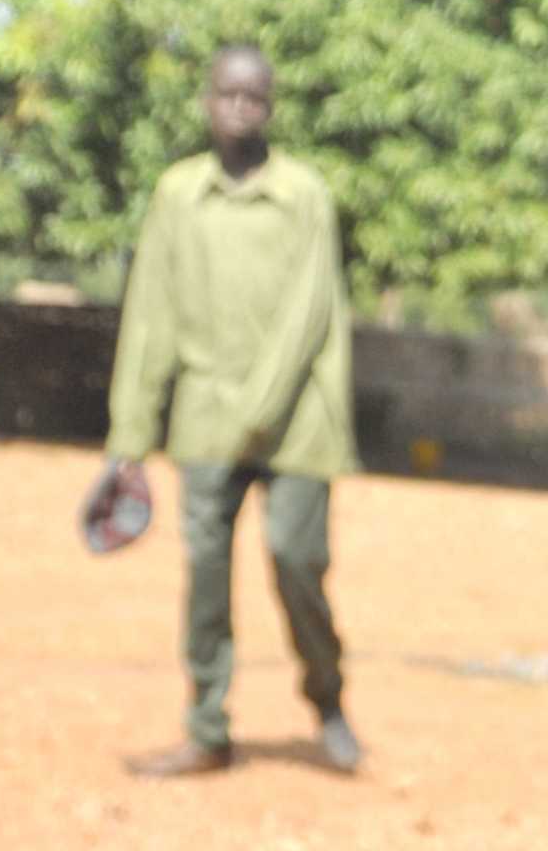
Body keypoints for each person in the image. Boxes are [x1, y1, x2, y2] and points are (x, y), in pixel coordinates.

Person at [101, 44, 359, 779]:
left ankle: (328, 698)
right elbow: (150, 314)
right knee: (207, 571)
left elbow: (312, 309)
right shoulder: (178, 194)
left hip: (297, 421)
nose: (239, 109)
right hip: (206, 420)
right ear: (207, 101)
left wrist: (258, 404)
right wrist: (129, 434)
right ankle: (207, 726)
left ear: (270, 109)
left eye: (254, 99)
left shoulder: (304, 194)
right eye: (227, 95)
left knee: (296, 559)